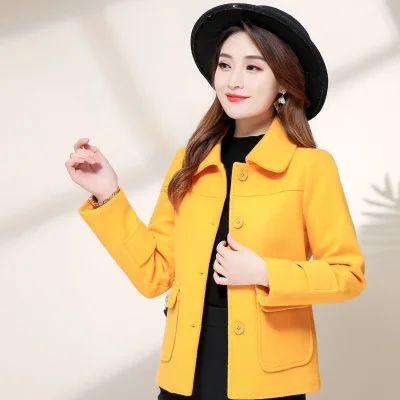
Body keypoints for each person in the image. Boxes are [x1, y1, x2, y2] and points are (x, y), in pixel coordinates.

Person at [65, 3, 366, 399]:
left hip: (269, 378)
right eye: (225, 65)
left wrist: (264, 272)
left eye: (253, 68)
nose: (233, 81)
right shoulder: (189, 162)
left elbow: (347, 274)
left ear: (283, 82)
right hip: (185, 371)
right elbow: (154, 274)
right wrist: (107, 193)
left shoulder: (309, 166)